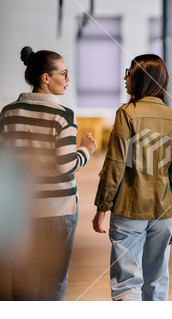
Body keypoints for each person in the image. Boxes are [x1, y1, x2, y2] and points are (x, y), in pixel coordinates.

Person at [0, 46, 98, 300]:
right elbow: (65, 165)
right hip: (58, 211)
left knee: (22, 282)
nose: (67, 80)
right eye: (63, 74)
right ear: (45, 78)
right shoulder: (62, 115)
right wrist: (85, 150)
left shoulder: (7, 113)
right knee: (53, 283)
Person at [93, 54, 172, 301]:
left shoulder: (126, 113)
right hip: (164, 211)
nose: (125, 78)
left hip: (129, 209)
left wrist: (102, 207)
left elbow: (115, 164)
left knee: (127, 283)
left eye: (129, 73)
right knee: (156, 281)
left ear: (141, 79)